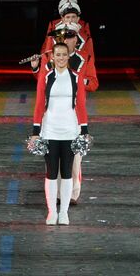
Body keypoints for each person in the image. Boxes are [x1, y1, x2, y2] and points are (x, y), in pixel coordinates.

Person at [31, 38, 90, 225]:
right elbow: (39, 104)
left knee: (66, 173)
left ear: (68, 56)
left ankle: (64, 212)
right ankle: (51, 212)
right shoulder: (46, 77)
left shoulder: (76, 77)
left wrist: (84, 130)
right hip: (49, 131)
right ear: (52, 57)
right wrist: (35, 131)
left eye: (64, 55)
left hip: (70, 131)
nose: (61, 58)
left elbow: (80, 105)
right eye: (58, 55)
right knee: (50, 172)